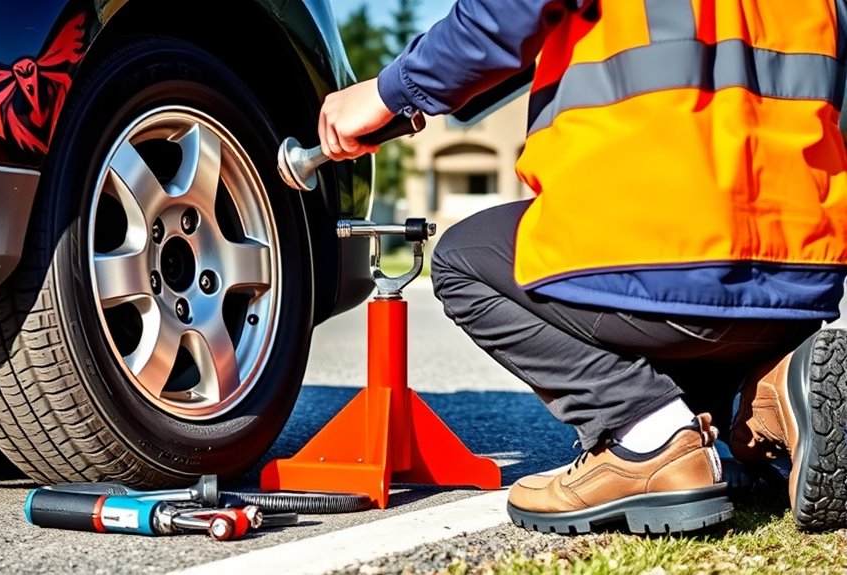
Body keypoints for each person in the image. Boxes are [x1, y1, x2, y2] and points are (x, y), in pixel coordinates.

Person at [317, 0, 847, 535]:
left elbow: (504, 12)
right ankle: (768, 391)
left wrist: (388, 91)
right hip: (797, 283)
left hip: (660, 258)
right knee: (693, 327)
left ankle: (650, 438)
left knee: (461, 260)